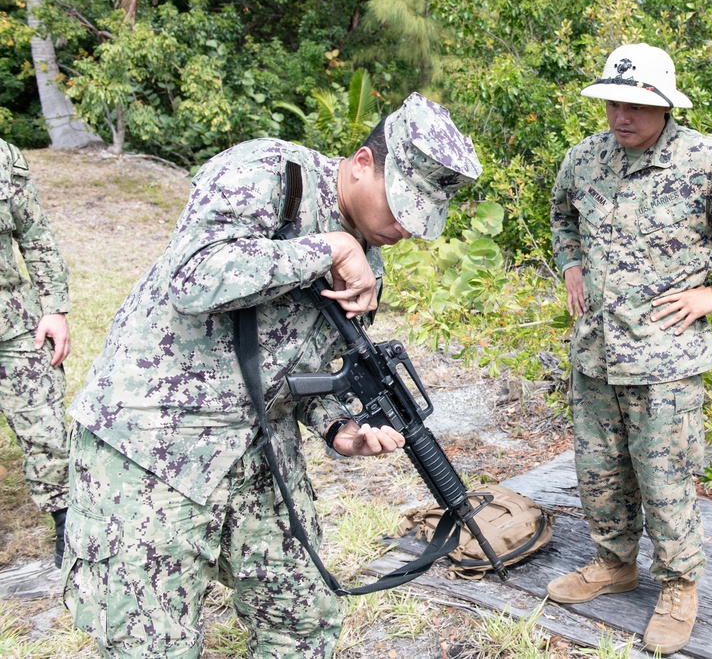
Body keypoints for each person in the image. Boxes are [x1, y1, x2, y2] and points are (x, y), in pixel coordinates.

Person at [62, 92, 482, 658]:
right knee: (150, 645)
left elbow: (307, 370)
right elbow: (192, 278)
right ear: (362, 162)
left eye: (420, 218)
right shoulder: (269, 175)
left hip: (259, 452)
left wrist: (339, 428)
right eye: (402, 204)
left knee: (305, 622)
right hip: (152, 448)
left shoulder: (369, 260)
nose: (405, 227)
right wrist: (326, 246)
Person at [546, 43, 712, 655]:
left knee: (665, 479)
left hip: (665, 358)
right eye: (612, 102)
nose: (620, 116)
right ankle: (614, 563)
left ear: (665, 106)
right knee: (599, 472)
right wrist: (571, 264)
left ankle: (680, 584)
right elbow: (562, 216)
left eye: (635, 105)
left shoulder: (706, 163)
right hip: (596, 354)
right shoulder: (583, 160)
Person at [0, 139, 72, 568]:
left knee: (43, 427)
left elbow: (36, 235)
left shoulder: (4, 158)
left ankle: (67, 522)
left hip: (12, 319)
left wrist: (54, 309)